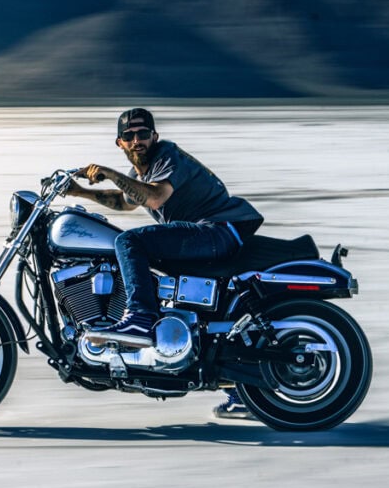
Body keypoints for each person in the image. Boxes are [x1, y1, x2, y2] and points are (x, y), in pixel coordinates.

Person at [65, 108, 261, 420]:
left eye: (143, 134)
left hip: (217, 229)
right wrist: (78, 192)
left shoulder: (166, 156)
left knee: (128, 242)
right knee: (186, 300)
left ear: (154, 136)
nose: (136, 140)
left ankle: (140, 318)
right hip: (210, 233)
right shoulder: (140, 175)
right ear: (120, 143)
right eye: (129, 136)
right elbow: (125, 201)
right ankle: (238, 388)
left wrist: (110, 173)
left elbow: (154, 198)